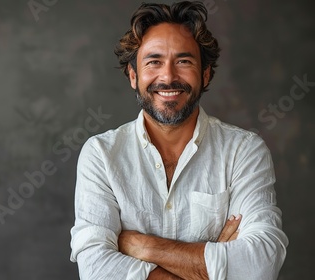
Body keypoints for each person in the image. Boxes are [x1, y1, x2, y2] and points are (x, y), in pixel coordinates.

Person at [69, 1, 288, 279]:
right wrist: (214, 264)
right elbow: (96, 269)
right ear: (133, 76)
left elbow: (261, 263)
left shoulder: (244, 151)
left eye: (183, 61)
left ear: (205, 74)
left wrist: (144, 246)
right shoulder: (101, 155)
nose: (169, 77)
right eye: (154, 62)